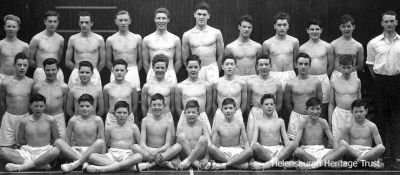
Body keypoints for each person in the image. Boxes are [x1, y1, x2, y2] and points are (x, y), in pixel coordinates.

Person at [366, 10, 400, 168]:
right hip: (380, 82)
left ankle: (396, 155)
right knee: (380, 119)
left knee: (396, 119)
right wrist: (381, 79)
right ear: (381, 23)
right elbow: (371, 66)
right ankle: (380, 154)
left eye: (392, 21)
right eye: (386, 21)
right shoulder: (373, 43)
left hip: (397, 82)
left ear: (396, 22)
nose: (389, 24)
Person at [0, 93, 60, 172]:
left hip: (45, 151)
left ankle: (24, 166)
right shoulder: (24, 121)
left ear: (45, 107)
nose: (38, 109)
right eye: (35, 106)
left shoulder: (51, 120)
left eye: (41, 106)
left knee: (56, 150)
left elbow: (56, 140)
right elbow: (20, 141)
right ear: (30, 106)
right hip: (28, 151)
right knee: (2, 151)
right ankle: (39, 165)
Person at [85, 101, 143, 173]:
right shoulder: (109, 128)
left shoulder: (133, 127)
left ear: (128, 114)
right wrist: (102, 156)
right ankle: (126, 167)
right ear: (114, 113)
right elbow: (105, 145)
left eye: (124, 113)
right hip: (112, 154)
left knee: (139, 156)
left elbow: (140, 144)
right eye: (119, 112)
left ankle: (103, 169)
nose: (122, 115)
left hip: (128, 155)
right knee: (92, 156)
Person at [54, 94, 106, 172]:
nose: (84, 108)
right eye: (82, 106)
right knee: (58, 142)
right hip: (76, 151)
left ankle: (75, 164)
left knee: (100, 142)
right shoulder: (73, 120)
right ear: (78, 107)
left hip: (91, 151)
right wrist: (68, 154)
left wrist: (102, 156)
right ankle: (82, 162)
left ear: (93, 106)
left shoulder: (98, 120)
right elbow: (67, 139)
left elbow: (102, 139)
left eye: (87, 106)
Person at [293, 97, 347, 169]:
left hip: (321, 151)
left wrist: (338, 155)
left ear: (321, 109)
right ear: (306, 110)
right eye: (312, 108)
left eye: (318, 109)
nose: (315, 112)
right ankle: (328, 164)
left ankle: (313, 165)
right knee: (298, 151)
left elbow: (332, 141)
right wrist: (295, 155)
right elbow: (296, 141)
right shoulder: (303, 122)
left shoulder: (323, 122)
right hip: (306, 151)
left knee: (343, 148)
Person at [299, 19, 334, 119]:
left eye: (317, 29)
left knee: (323, 104)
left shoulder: (327, 46)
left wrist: (324, 75)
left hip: (323, 78)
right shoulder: (302, 48)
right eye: (312, 29)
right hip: (307, 79)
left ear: (321, 30)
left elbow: (331, 65)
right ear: (307, 30)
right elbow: (300, 65)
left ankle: (321, 128)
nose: (314, 31)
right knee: (308, 104)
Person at [136, 93, 182, 170]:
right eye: (154, 105)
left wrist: (157, 151)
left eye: (159, 105)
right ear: (150, 106)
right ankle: (165, 164)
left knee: (178, 147)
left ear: (164, 106)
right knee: (134, 147)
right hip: (148, 151)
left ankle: (150, 164)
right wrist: (150, 152)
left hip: (162, 152)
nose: (156, 107)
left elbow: (167, 145)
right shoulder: (145, 120)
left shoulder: (169, 121)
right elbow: (142, 143)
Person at [250, 94, 296, 169]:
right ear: (261, 106)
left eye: (271, 104)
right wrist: (251, 152)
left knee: (293, 143)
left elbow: (286, 140)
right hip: (264, 151)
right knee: (255, 146)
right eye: (266, 104)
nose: (269, 106)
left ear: (274, 106)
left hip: (279, 151)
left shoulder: (280, 121)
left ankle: (269, 164)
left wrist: (289, 146)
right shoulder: (258, 122)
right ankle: (279, 163)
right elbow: (254, 141)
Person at [182, 1, 224, 83]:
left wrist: (217, 69)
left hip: (212, 68)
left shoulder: (216, 33)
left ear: (208, 16)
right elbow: (185, 59)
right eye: (199, 14)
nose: (201, 17)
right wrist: (192, 70)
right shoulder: (187, 35)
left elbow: (221, 55)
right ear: (195, 15)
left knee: (213, 93)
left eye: (204, 14)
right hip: (196, 69)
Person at [0, 53, 34, 147]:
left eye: (25, 65)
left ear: (28, 66)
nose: (22, 68)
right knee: (5, 149)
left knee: (23, 148)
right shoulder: (5, 83)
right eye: (19, 65)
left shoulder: (31, 82)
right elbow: (2, 102)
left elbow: (33, 103)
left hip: (25, 118)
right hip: (9, 118)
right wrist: (5, 115)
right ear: (14, 65)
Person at [285, 53, 322, 140]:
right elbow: (287, 103)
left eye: (306, 64)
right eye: (300, 64)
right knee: (292, 146)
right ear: (296, 65)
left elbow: (320, 102)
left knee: (311, 144)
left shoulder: (316, 82)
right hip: (296, 117)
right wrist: (297, 112)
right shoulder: (290, 83)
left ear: (310, 66)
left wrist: (313, 113)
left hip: (312, 117)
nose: (303, 66)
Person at [208, 98, 252, 170]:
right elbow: (213, 144)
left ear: (235, 109)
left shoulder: (240, 123)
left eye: (230, 108)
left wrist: (248, 157)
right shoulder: (218, 124)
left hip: (237, 150)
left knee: (250, 150)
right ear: (222, 110)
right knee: (210, 148)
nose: (228, 111)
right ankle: (236, 165)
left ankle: (225, 165)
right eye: (225, 108)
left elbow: (246, 142)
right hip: (223, 151)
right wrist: (211, 157)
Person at [339, 99, 385, 169]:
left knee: (381, 147)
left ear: (366, 111)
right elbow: (340, 144)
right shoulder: (348, 125)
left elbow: (380, 145)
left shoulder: (372, 126)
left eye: (361, 111)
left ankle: (358, 161)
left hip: (368, 152)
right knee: (342, 142)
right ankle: (365, 161)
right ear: (352, 112)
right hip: (354, 152)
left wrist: (375, 156)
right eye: (356, 112)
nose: (358, 114)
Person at [246, 54, 282, 141]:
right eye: (261, 65)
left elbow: (279, 104)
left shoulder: (277, 83)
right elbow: (247, 104)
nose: (264, 67)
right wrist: (254, 114)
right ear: (257, 67)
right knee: (253, 142)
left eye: (266, 64)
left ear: (270, 66)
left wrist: (270, 113)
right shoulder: (251, 82)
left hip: (271, 113)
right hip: (255, 113)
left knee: (271, 140)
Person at [65, 11, 105, 89]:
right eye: (82, 22)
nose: (84, 25)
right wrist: (78, 70)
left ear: (92, 23)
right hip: (77, 74)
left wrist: (93, 72)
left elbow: (103, 62)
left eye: (87, 22)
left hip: (94, 74)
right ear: (79, 23)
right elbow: (67, 61)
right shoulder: (73, 39)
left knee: (94, 98)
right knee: (74, 98)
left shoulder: (99, 39)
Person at [33, 58, 69, 140]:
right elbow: (33, 106)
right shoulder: (37, 87)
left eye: (53, 69)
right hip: (42, 118)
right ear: (44, 70)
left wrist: (65, 122)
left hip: (59, 118)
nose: (51, 72)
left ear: (58, 70)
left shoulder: (64, 87)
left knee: (61, 143)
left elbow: (65, 108)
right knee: (42, 142)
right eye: (48, 70)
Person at [175, 55, 212, 135]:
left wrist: (202, 116)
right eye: (190, 67)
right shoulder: (180, 86)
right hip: (185, 118)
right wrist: (187, 117)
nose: (193, 69)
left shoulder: (206, 85)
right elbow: (178, 107)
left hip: (202, 117)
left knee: (205, 142)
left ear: (200, 68)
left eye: (195, 67)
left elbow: (209, 106)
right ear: (186, 68)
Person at [143, 7, 181, 84]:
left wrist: (170, 73)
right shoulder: (147, 39)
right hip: (152, 74)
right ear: (155, 19)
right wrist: (152, 73)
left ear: (168, 19)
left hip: (170, 73)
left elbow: (178, 62)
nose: (161, 21)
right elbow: (145, 62)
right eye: (158, 18)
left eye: (163, 18)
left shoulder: (175, 39)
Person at [328, 55, 361, 142]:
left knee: (353, 142)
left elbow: (359, 103)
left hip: (353, 114)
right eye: (344, 67)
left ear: (353, 66)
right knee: (337, 142)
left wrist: (359, 118)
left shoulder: (357, 81)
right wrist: (330, 123)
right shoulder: (333, 81)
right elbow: (331, 103)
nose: (346, 70)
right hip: (339, 114)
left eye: (348, 67)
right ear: (339, 66)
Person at [107, 10, 142, 91]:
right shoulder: (111, 39)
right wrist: (116, 71)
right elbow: (108, 62)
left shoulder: (137, 38)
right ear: (116, 22)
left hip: (132, 71)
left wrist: (135, 71)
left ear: (129, 21)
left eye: (125, 20)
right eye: (120, 20)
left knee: (134, 101)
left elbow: (140, 60)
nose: (123, 23)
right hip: (116, 72)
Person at [262, 12, 299, 89]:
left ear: (288, 26)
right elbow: (265, 63)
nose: (282, 28)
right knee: (273, 100)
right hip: (273, 74)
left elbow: (296, 62)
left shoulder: (294, 42)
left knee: (289, 100)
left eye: (284, 25)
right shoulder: (267, 43)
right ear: (274, 26)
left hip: (290, 74)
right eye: (279, 25)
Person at [29, 11, 65, 82]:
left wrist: (53, 68)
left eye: (55, 21)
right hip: (41, 72)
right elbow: (30, 61)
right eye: (50, 21)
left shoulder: (60, 39)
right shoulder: (36, 39)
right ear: (45, 22)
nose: (52, 24)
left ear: (58, 23)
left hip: (56, 72)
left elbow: (59, 58)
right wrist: (42, 68)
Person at [212, 55, 246, 126]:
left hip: (236, 114)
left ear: (235, 66)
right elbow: (214, 103)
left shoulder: (241, 83)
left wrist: (238, 114)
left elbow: (244, 104)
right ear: (222, 67)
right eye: (227, 64)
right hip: (220, 114)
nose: (229, 66)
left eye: (232, 64)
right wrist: (218, 115)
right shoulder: (216, 83)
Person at [225, 15, 262, 80]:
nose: (246, 29)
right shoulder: (230, 47)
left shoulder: (257, 47)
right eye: (244, 27)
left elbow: (260, 65)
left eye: (249, 27)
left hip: (253, 77)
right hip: (236, 78)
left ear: (252, 28)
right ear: (239, 27)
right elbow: (226, 67)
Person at [176, 100, 210, 170]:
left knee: (203, 139)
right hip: (185, 155)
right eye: (188, 112)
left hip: (199, 154)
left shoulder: (202, 124)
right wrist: (176, 158)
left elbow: (209, 143)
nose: (191, 114)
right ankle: (195, 163)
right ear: (185, 113)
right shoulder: (181, 126)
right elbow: (177, 145)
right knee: (181, 136)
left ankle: (189, 161)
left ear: (198, 114)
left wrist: (206, 158)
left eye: (193, 112)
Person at [141, 54, 175, 125]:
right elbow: (144, 107)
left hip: (167, 117)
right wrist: (147, 118)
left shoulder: (171, 86)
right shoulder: (147, 86)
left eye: (162, 68)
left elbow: (172, 106)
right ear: (153, 68)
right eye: (157, 67)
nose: (160, 70)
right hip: (151, 117)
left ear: (166, 69)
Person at [103, 59, 138, 127]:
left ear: (126, 71)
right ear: (112, 71)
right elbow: (106, 106)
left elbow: (135, 106)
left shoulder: (132, 87)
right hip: (112, 118)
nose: (119, 72)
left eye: (122, 70)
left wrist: (128, 115)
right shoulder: (107, 87)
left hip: (128, 118)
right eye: (116, 70)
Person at [330, 14, 364, 80]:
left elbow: (360, 66)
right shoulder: (333, 44)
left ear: (353, 27)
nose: (346, 29)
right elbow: (330, 64)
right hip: (337, 75)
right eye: (343, 26)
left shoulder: (358, 46)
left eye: (348, 26)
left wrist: (349, 71)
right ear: (340, 27)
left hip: (352, 75)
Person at [0, 14, 29, 79]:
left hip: (18, 78)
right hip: (2, 77)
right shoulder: (0, 45)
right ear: (4, 27)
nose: (11, 29)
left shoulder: (24, 46)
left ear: (18, 28)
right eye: (9, 26)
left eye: (13, 27)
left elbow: (26, 64)